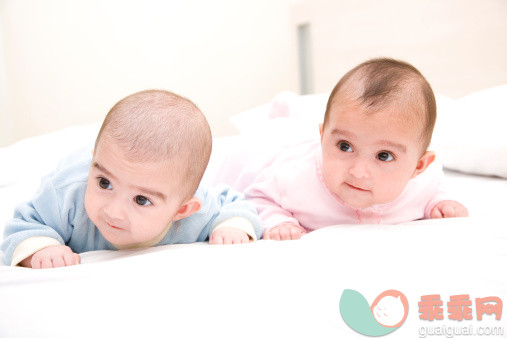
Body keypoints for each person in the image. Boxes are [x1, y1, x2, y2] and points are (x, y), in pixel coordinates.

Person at [1, 90, 262, 268]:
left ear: (181, 210)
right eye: (104, 183)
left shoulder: (198, 212)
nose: (113, 212)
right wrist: (39, 250)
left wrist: (233, 227)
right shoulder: (68, 195)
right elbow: (22, 225)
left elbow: (236, 203)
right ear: (93, 166)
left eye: (141, 200)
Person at [245, 58, 468, 240]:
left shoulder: (424, 183)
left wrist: (441, 203)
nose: (358, 172)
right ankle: (287, 112)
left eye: (384, 155)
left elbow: (435, 189)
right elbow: (258, 196)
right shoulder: (295, 178)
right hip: (284, 149)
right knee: (263, 144)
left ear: (418, 167)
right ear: (323, 138)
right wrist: (278, 220)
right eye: (345, 146)